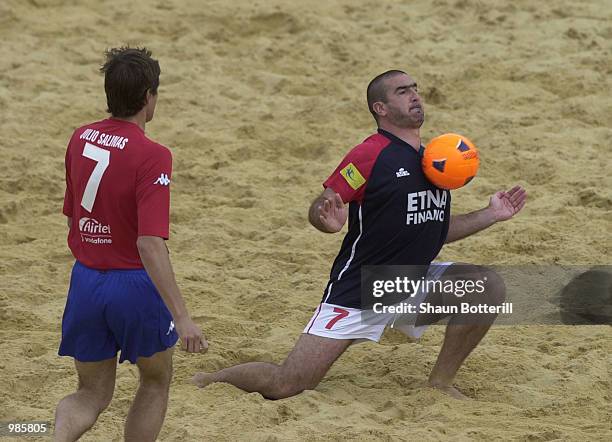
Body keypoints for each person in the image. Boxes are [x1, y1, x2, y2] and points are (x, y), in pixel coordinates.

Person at [192, 69, 526, 400]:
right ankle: (210, 379)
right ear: (380, 108)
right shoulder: (370, 154)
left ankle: (440, 382)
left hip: (410, 282)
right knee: (287, 384)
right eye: (402, 91)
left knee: (487, 285)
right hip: (361, 289)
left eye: (414, 88)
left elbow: (434, 231)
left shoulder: (434, 160)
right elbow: (323, 204)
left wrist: (491, 215)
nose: (414, 96)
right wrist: (327, 219)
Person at [54, 47, 207, 442]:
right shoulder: (153, 155)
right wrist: (183, 315)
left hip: (86, 281)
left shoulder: (80, 137)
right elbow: (150, 244)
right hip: (134, 286)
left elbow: (73, 217)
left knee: (89, 394)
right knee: (155, 381)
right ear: (148, 97)